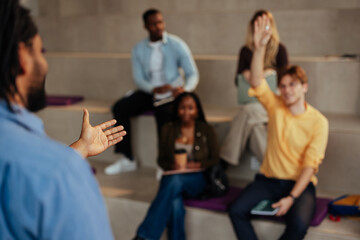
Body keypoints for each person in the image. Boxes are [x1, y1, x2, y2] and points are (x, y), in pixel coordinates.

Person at [0, 1, 126, 239]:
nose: (44, 63)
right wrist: (66, 163)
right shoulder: (60, 173)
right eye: (40, 52)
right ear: (22, 58)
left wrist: (79, 149)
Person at [228, 15, 329, 240]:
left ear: (305, 87)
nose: (287, 90)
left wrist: (291, 198)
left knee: (298, 226)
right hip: (268, 180)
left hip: (300, 185)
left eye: (292, 84)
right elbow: (256, 82)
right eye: (282, 86)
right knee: (235, 210)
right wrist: (260, 47)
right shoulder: (275, 106)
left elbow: (310, 167)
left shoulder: (319, 121)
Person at [105, 9, 199, 175]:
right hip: (150, 92)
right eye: (154, 24)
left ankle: (163, 162)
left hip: (173, 94)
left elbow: (193, 74)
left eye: (160, 22)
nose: (158, 27)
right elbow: (138, 78)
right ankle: (127, 158)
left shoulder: (177, 44)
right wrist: (153, 89)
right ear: (146, 26)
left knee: (163, 113)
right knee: (120, 108)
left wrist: (185, 90)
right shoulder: (138, 49)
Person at [133, 92, 219, 240]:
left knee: (174, 182)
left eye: (190, 108)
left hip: (197, 180)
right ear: (176, 110)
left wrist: (198, 164)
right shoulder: (168, 129)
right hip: (174, 176)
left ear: (197, 110)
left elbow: (215, 159)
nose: (186, 112)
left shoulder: (206, 130)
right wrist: (172, 165)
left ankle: (145, 236)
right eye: (182, 108)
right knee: (174, 203)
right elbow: (161, 160)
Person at [220, 10, 288, 165]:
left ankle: (223, 162)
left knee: (247, 113)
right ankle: (272, 168)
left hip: (271, 103)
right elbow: (237, 82)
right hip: (252, 102)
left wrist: (270, 73)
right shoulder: (245, 51)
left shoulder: (280, 49)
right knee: (256, 128)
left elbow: (287, 80)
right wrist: (245, 73)